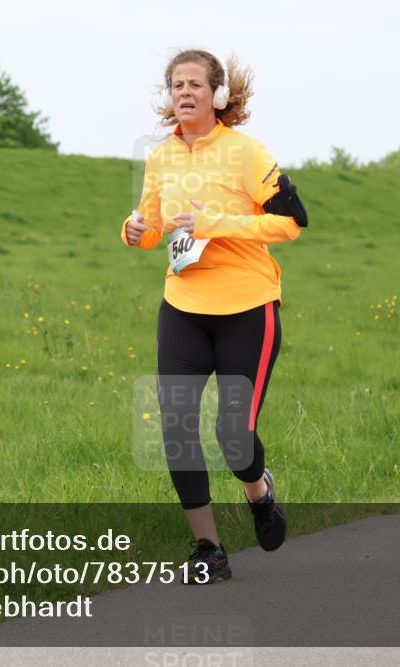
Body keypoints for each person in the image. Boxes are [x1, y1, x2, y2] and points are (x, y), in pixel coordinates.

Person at [120, 49, 306, 583]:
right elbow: (153, 222)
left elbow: (293, 221)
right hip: (183, 306)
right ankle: (209, 548)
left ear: (217, 95)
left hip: (247, 306)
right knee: (177, 431)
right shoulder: (161, 156)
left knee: (233, 438)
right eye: (176, 84)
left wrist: (218, 223)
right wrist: (134, 231)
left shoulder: (246, 153)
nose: (184, 92)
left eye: (195, 84)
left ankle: (260, 493)